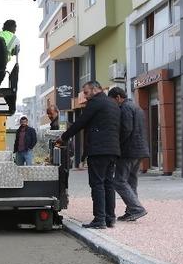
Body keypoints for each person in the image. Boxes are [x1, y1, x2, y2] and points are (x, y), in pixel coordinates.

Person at [57, 81, 121, 229]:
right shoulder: (113, 104)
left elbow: (80, 123)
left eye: (86, 93)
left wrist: (64, 137)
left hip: (98, 150)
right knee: (108, 184)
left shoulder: (95, 103)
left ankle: (99, 220)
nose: (85, 97)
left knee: (97, 184)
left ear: (94, 89)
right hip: (113, 150)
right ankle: (110, 218)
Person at [108, 87, 149, 222]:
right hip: (139, 150)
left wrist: (117, 146)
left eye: (112, 100)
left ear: (118, 97)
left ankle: (136, 208)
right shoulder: (137, 107)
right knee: (131, 181)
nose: (113, 104)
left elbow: (126, 129)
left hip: (128, 151)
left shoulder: (125, 108)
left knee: (119, 181)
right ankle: (132, 211)